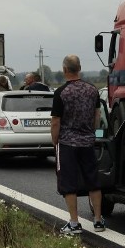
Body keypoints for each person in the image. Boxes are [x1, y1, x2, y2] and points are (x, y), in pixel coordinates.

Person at [50, 54, 105, 235]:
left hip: (67, 143)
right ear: (79, 68)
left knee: (69, 182)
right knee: (93, 180)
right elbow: (97, 116)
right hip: (88, 142)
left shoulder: (61, 93)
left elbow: (56, 121)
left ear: (65, 70)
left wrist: (55, 140)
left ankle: (74, 223)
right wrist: (92, 133)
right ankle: (98, 220)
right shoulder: (92, 90)